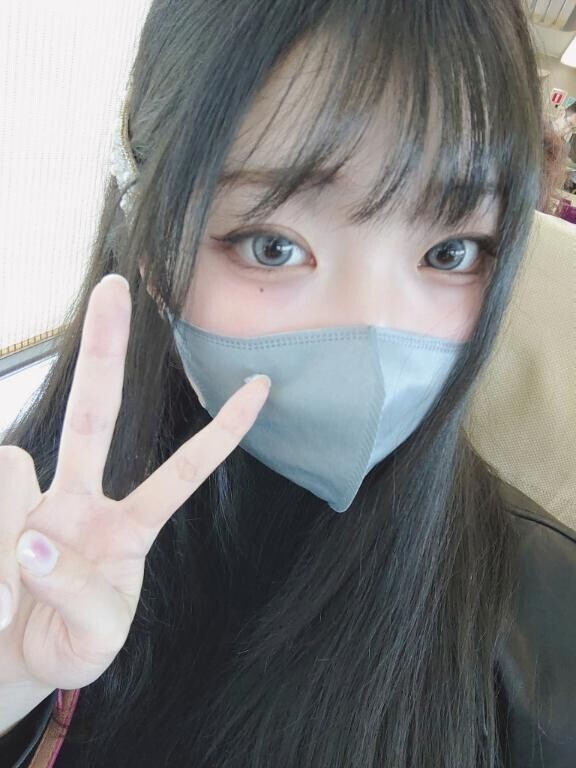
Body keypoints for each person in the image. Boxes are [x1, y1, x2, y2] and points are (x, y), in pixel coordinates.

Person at [0, 1, 575, 766]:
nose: (372, 337)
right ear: (149, 237)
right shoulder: (25, 529)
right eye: (273, 245)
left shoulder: (550, 634)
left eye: (450, 253)